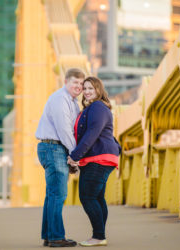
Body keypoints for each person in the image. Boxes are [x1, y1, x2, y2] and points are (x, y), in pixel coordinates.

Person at [67, 76, 121, 247]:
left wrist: (75, 156)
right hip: (100, 157)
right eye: (86, 88)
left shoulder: (97, 107)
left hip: (98, 158)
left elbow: (93, 133)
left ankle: (98, 236)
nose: (88, 91)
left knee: (87, 196)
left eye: (92, 88)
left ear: (99, 90)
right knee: (97, 197)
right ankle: (100, 234)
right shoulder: (92, 108)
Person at [35, 68, 85, 247]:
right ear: (66, 82)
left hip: (56, 148)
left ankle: (49, 236)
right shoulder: (59, 99)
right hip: (53, 147)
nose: (78, 86)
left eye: (81, 83)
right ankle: (56, 237)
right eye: (75, 82)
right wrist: (75, 155)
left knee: (52, 195)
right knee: (58, 194)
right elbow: (64, 130)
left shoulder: (73, 103)